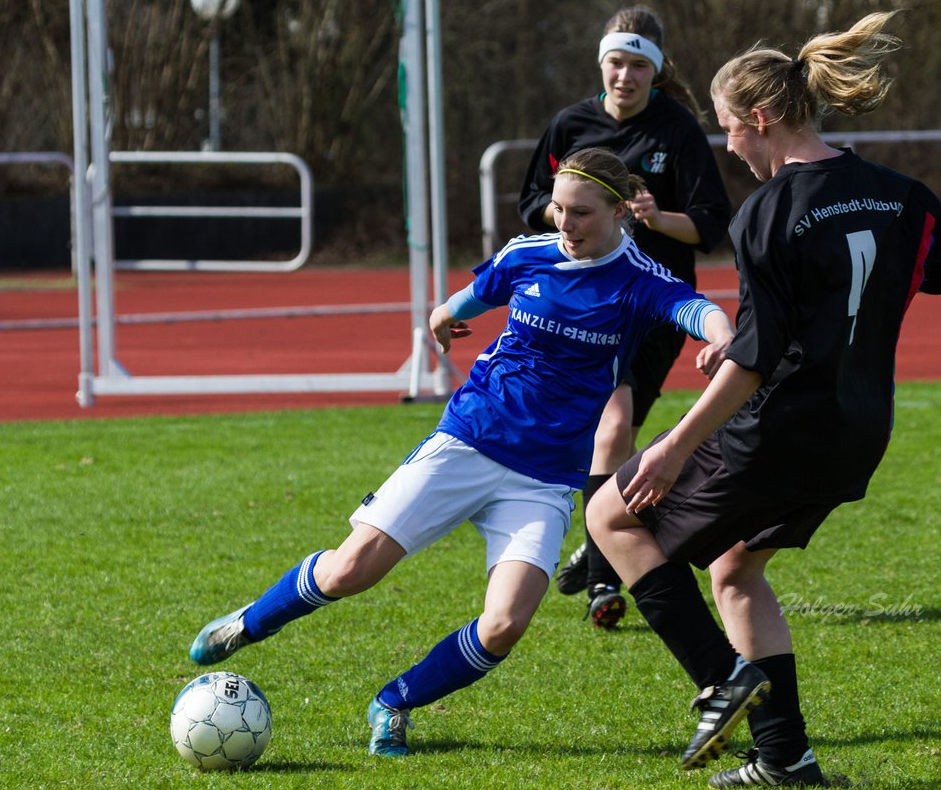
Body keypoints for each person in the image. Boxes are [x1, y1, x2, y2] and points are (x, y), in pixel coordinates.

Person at [189, 147, 734, 757]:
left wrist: (721, 339)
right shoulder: (527, 254)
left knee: (504, 626)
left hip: (544, 477)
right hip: (469, 440)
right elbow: (465, 301)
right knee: (350, 571)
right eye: (558, 209)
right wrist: (443, 317)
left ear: (618, 210)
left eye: (581, 213)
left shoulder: (637, 279)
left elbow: (699, 308)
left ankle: (393, 703)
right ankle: (246, 624)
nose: (564, 224)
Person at [587, 11, 941, 788]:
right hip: (859, 428)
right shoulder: (899, 194)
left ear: (761, 119)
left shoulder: (765, 212)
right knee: (734, 570)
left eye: (730, 128)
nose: (728, 144)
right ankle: (786, 758)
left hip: (782, 428)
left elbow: (758, 363)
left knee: (610, 516)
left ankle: (719, 679)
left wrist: (672, 446)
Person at [518, 5, 732, 629]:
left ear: (656, 70)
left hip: (650, 305)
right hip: (582, 303)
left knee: (611, 430)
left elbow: (712, 227)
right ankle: (605, 536)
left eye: (639, 64)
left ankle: (604, 576)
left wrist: (655, 217)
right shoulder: (570, 125)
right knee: (592, 433)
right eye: (616, 61)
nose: (625, 75)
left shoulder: (678, 131)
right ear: (601, 63)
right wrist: (570, 218)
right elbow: (533, 202)